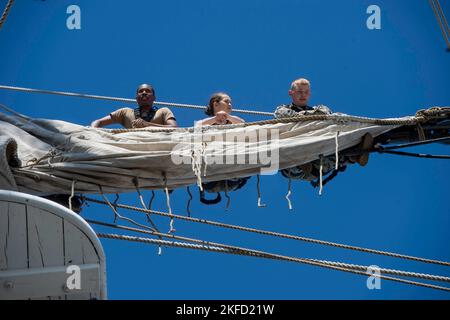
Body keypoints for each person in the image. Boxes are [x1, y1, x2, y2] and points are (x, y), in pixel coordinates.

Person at [274, 78, 372, 184]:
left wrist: (310, 116)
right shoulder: (282, 109)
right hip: (296, 163)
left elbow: (326, 114)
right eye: (299, 92)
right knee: (290, 154)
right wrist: (310, 116)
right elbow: (284, 114)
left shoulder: (320, 108)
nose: (303, 95)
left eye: (306, 92)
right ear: (291, 93)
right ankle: (301, 163)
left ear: (309, 94)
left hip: (318, 158)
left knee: (336, 139)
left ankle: (355, 154)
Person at [196, 92, 249, 205]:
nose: (230, 104)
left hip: (232, 177)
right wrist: (215, 119)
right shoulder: (205, 124)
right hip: (211, 178)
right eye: (226, 101)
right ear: (216, 104)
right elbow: (197, 127)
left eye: (230, 102)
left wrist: (227, 117)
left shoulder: (235, 120)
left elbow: (244, 125)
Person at [91, 84, 178, 129]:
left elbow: (174, 129)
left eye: (147, 91)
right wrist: (93, 131)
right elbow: (98, 122)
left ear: (154, 98)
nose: (144, 92)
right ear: (136, 98)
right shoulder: (125, 112)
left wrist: (148, 125)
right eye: (141, 91)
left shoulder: (163, 111)